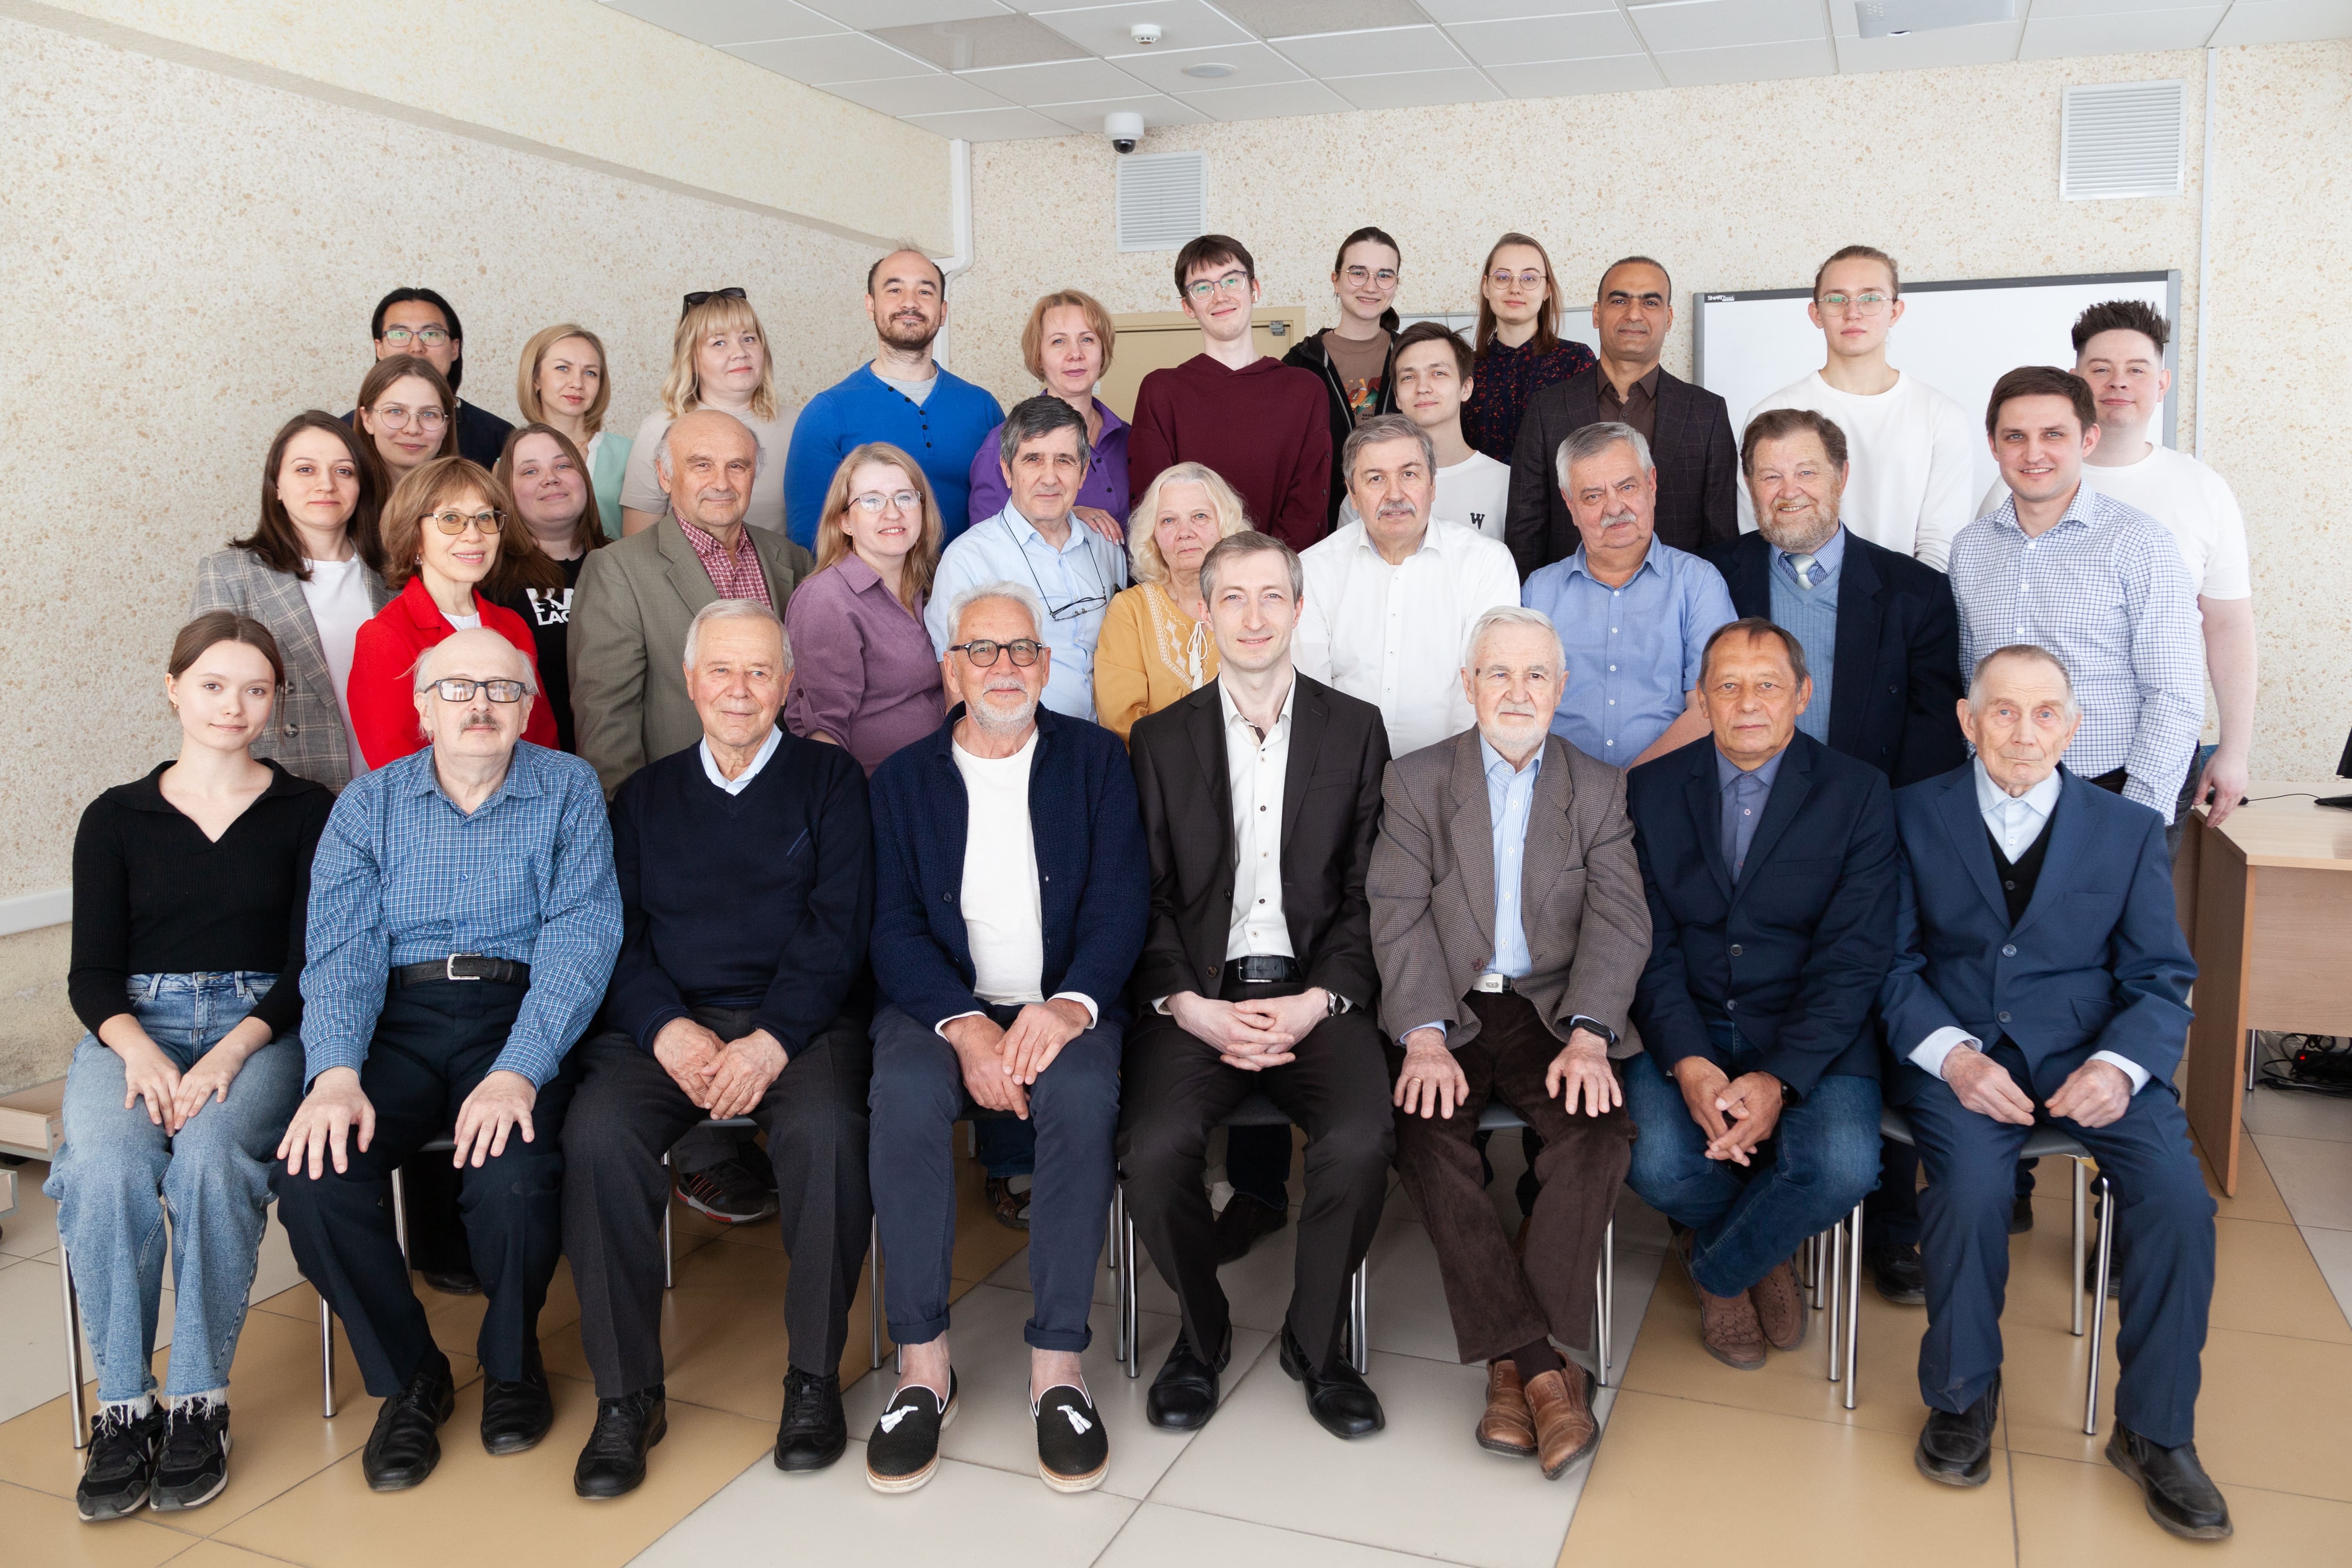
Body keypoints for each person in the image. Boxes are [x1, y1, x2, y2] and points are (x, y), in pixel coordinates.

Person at [1880, 644, 2227, 1541]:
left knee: (2178, 1201)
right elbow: (1888, 964)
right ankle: (1961, 1394)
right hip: (1961, 1055)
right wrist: (1953, 1058)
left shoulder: (2126, 828)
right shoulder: (1908, 814)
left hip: (2092, 1055)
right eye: (2001, 711)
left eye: (2043, 714)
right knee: (1967, 1189)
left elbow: (2160, 977)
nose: (2022, 732)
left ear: (2072, 727)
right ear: (1967, 721)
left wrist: (2117, 1067)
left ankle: (2154, 1431)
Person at [273, 627, 621, 1492]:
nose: (480, 705)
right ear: (423, 709)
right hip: (395, 1019)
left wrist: (520, 1067)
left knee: (515, 1176)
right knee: (313, 1176)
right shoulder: (369, 803)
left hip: (518, 1010)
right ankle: (410, 1375)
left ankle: (511, 1361)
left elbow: (582, 937)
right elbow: (342, 950)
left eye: (502, 689)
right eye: (457, 688)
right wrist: (335, 1071)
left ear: (528, 709)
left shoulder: (569, 788)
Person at [563, 599, 875, 1497]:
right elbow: (616, 934)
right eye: (721, 672)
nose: (739, 691)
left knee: (827, 1133)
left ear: (787, 684)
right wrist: (665, 1027)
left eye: (759, 672)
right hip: (670, 1025)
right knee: (596, 1136)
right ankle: (626, 1394)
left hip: (798, 1021)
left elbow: (839, 928)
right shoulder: (643, 796)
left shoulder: (830, 780)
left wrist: (771, 1040)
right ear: (690, 681)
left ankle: (812, 1376)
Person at [862, 582, 1147, 1495]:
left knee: (1082, 1097)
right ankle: (922, 1369)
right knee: (905, 1096)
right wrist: (966, 1025)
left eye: (1021, 649)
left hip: (1064, 1003)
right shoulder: (901, 779)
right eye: (980, 651)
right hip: (940, 1006)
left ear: (1046, 664)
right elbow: (891, 926)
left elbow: (1121, 902)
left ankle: (1056, 1369)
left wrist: (1068, 1006)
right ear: (951, 669)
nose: (1003, 667)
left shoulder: (1097, 761)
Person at [51, 614, 330, 1521]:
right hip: (134, 1025)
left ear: (275, 701)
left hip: (260, 1027)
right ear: (174, 688)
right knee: (106, 1167)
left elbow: (309, 965)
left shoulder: (308, 810)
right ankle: (124, 1408)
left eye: (255, 689)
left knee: (210, 1160)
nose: (233, 706)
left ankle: (201, 1402)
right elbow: (91, 972)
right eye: (213, 684)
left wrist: (231, 1050)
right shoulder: (115, 816)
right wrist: (138, 1049)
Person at [1123, 531, 1397, 1442]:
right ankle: (1200, 1335)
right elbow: (1146, 896)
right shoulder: (1158, 740)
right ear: (1203, 613)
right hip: (1198, 998)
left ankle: (1314, 1343)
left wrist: (1319, 1000)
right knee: (1153, 1148)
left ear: (1298, 607)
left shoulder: (1355, 729)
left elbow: (1368, 891)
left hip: (1315, 993)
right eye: (1231, 598)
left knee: (1359, 1138)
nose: (1252, 616)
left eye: (1270, 595)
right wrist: (1188, 1006)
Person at [1366, 605, 1649, 1480]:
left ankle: (1512, 1363)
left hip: (1549, 1010)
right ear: (1469, 684)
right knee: (1424, 1137)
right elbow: (1395, 913)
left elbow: (1619, 919)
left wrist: (1591, 1032)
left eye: (1535, 675)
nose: (1517, 691)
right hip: (1445, 1003)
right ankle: (1541, 1367)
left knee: (1597, 1134)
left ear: (1560, 688)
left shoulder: (1596, 786)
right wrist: (1421, 1037)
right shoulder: (1415, 780)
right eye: (1498, 672)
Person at [1707, 406, 1966, 1306]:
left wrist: (1866, 838)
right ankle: (1750, 1216)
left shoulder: (1913, 592)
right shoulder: (1716, 575)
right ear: (1748, 486)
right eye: (1769, 475)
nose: (1787, 491)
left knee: (1875, 1006)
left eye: (1805, 472)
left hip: (1867, 840)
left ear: (1841, 477)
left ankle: (1892, 1220)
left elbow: (1931, 744)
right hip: (1737, 835)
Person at [1622, 619, 1895, 1371]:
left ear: (1801, 695)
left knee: (1841, 1166)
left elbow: (1853, 958)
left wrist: (1779, 1076)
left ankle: (1718, 1267)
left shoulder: (1857, 793)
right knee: (1656, 1164)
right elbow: (1646, 945)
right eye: (1728, 686)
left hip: (1811, 1031)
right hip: (1686, 1019)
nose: (1747, 703)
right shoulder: (1647, 791)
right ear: (1701, 700)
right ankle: (1763, 1247)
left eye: (1767, 685)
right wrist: (1687, 1060)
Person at [1976, 300, 2255, 839]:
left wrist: (2234, 749)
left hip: (2135, 762)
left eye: (2136, 370)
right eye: (2101, 368)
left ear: (2162, 383)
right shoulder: (2014, 486)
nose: (2118, 383)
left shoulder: (2201, 490)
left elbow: (2228, 627)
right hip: (2017, 769)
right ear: (2077, 380)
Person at [1948, 367, 2202, 826]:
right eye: (2015, 436)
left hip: (2113, 791)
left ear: (2088, 439)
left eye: (2053, 435)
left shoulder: (2140, 544)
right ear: (1993, 446)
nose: (2033, 453)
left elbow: (2174, 695)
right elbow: (1973, 678)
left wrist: (2135, 815)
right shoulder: (1969, 548)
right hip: (2000, 793)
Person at [574, 408, 818, 797]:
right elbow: (606, 717)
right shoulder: (618, 570)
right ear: (664, 475)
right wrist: (626, 815)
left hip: (787, 795)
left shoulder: (793, 559)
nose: (721, 483)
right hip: (677, 804)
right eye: (701, 465)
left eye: (737, 466)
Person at [1298, 413, 1520, 758]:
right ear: (1352, 494)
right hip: (1341, 767)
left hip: (1451, 770)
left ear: (1433, 486)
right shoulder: (1312, 569)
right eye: (1375, 479)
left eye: (1409, 474)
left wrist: (1448, 776)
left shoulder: (1486, 563)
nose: (1395, 494)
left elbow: (1485, 686)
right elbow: (1311, 692)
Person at [1738, 246, 1976, 569]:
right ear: (1816, 313)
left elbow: (1941, 540)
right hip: (1799, 591)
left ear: (1895, 311)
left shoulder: (1942, 416)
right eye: (1836, 299)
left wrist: (1908, 598)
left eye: (1871, 298)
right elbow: (1756, 529)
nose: (1853, 313)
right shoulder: (1772, 412)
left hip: (1907, 596)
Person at [190, 412, 389, 790]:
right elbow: (208, 698)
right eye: (305, 470)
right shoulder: (229, 573)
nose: (326, 484)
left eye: (344, 471)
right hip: (282, 789)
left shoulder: (395, 576)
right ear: (277, 486)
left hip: (388, 793)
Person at [1520, 422, 1737, 767]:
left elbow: (1711, 708)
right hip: (1559, 789)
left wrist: (1633, 783)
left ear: (1652, 484)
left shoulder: (1698, 584)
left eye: (1626, 487)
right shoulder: (1539, 592)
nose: (1614, 507)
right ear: (1569, 503)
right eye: (1593, 496)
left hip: (1669, 785)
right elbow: (1520, 706)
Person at [1506, 256, 1738, 573]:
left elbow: (1721, 539)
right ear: (1597, 314)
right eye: (1619, 301)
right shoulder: (1547, 409)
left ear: (1669, 318)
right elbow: (1525, 531)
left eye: (1650, 303)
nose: (1634, 314)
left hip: (1677, 600)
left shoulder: (1706, 413)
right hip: (1572, 597)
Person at [927, 396, 1128, 724]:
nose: (1049, 478)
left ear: (1082, 473)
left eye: (1064, 461)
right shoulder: (968, 560)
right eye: (1033, 460)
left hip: (1110, 739)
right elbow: (958, 690)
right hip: (1022, 743)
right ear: (1007, 470)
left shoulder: (1106, 545)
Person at [346, 458, 558, 767]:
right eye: (450, 519)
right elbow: (396, 766)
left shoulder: (513, 626)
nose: (474, 535)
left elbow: (541, 741)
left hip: (527, 798)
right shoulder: (384, 636)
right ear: (414, 537)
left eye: (485, 518)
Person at [784, 253, 1004, 549]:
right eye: (895, 290)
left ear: (943, 312)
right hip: (872, 581)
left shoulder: (983, 408)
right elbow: (812, 540)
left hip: (972, 578)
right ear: (871, 305)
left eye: (925, 291)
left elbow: (1010, 513)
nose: (910, 302)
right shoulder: (826, 413)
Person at [1130, 234, 1332, 552]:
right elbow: (1156, 506)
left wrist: (1261, 569)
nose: (1220, 296)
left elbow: (1307, 508)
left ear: (1254, 289)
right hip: (1190, 573)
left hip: (1280, 571)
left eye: (1231, 281)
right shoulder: (1161, 392)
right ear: (1187, 306)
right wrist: (1209, 571)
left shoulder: (1304, 390)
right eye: (1202, 288)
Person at [781, 442, 948, 774]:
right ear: (844, 521)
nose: (893, 513)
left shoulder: (934, 582)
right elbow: (821, 735)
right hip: (877, 787)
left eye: (905, 497)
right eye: (872, 501)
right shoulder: (826, 600)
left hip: (941, 772)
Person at [1092, 462, 1250, 743]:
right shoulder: (1129, 611)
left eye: (1200, 516)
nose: (1185, 532)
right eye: (1168, 520)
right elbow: (1122, 722)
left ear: (1225, 525)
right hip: (1157, 770)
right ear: (1152, 535)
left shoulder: (1253, 604)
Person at [620, 290, 792, 537]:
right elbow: (637, 543)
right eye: (719, 343)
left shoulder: (801, 425)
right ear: (691, 358)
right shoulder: (658, 429)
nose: (740, 352)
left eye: (749, 339)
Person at [966, 290, 1130, 541]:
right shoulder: (1001, 445)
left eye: (1087, 339)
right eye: (1059, 342)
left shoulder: (1129, 438)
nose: (1075, 354)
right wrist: (1066, 516)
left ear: (1103, 353)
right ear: (1039, 357)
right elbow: (986, 544)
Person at [491, 423, 608, 754]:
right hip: (536, 765)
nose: (550, 478)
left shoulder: (624, 564)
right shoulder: (491, 581)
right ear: (508, 491)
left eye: (563, 465)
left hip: (623, 758)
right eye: (530, 471)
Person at [1342, 321, 1512, 540]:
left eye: (1438, 373)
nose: (1423, 388)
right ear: (1397, 397)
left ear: (1466, 387)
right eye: (1409, 377)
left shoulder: (1506, 484)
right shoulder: (1367, 486)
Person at [1281, 226, 1403, 529]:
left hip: (1400, 522)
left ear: (1396, 284)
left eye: (1384, 275)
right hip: (1322, 533)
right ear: (1336, 280)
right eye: (1358, 273)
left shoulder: (1412, 358)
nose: (1371, 286)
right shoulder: (1298, 365)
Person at [1460, 233, 1596, 472]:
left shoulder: (1576, 360)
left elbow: (1590, 450)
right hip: (1478, 495)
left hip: (1555, 495)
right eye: (1503, 277)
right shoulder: (1464, 366)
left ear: (1547, 290)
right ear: (1486, 287)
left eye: (1529, 278)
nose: (1515, 289)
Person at [358, 287, 514, 467]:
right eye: (400, 334)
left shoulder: (500, 438)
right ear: (379, 349)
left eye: (431, 334)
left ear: (454, 349)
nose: (416, 347)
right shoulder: (344, 435)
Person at [515, 323, 631, 539]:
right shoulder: (511, 461)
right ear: (535, 379)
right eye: (563, 368)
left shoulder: (630, 454)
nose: (577, 383)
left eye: (590, 373)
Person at [354, 355, 457, 493]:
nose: (413, 429)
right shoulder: (339, 499)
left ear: (446, 425)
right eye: (396, 411)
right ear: (368, 420)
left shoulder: (472, 501)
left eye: (429, 414)